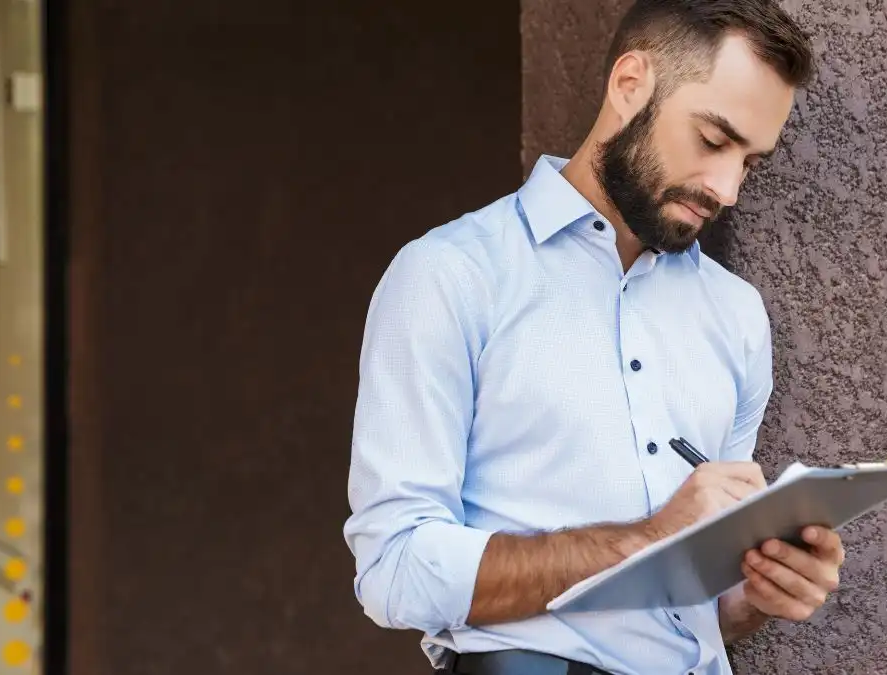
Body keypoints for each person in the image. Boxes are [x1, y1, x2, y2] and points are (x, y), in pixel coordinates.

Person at [343, 1, 845, 673]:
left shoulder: (736, 316)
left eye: (749, 162)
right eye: (712, 139)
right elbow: (394, 568)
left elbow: (704, 604)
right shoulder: (452, 276)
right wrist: (648, 538)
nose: (726, 189)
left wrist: (763, 588)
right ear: (629, 84)